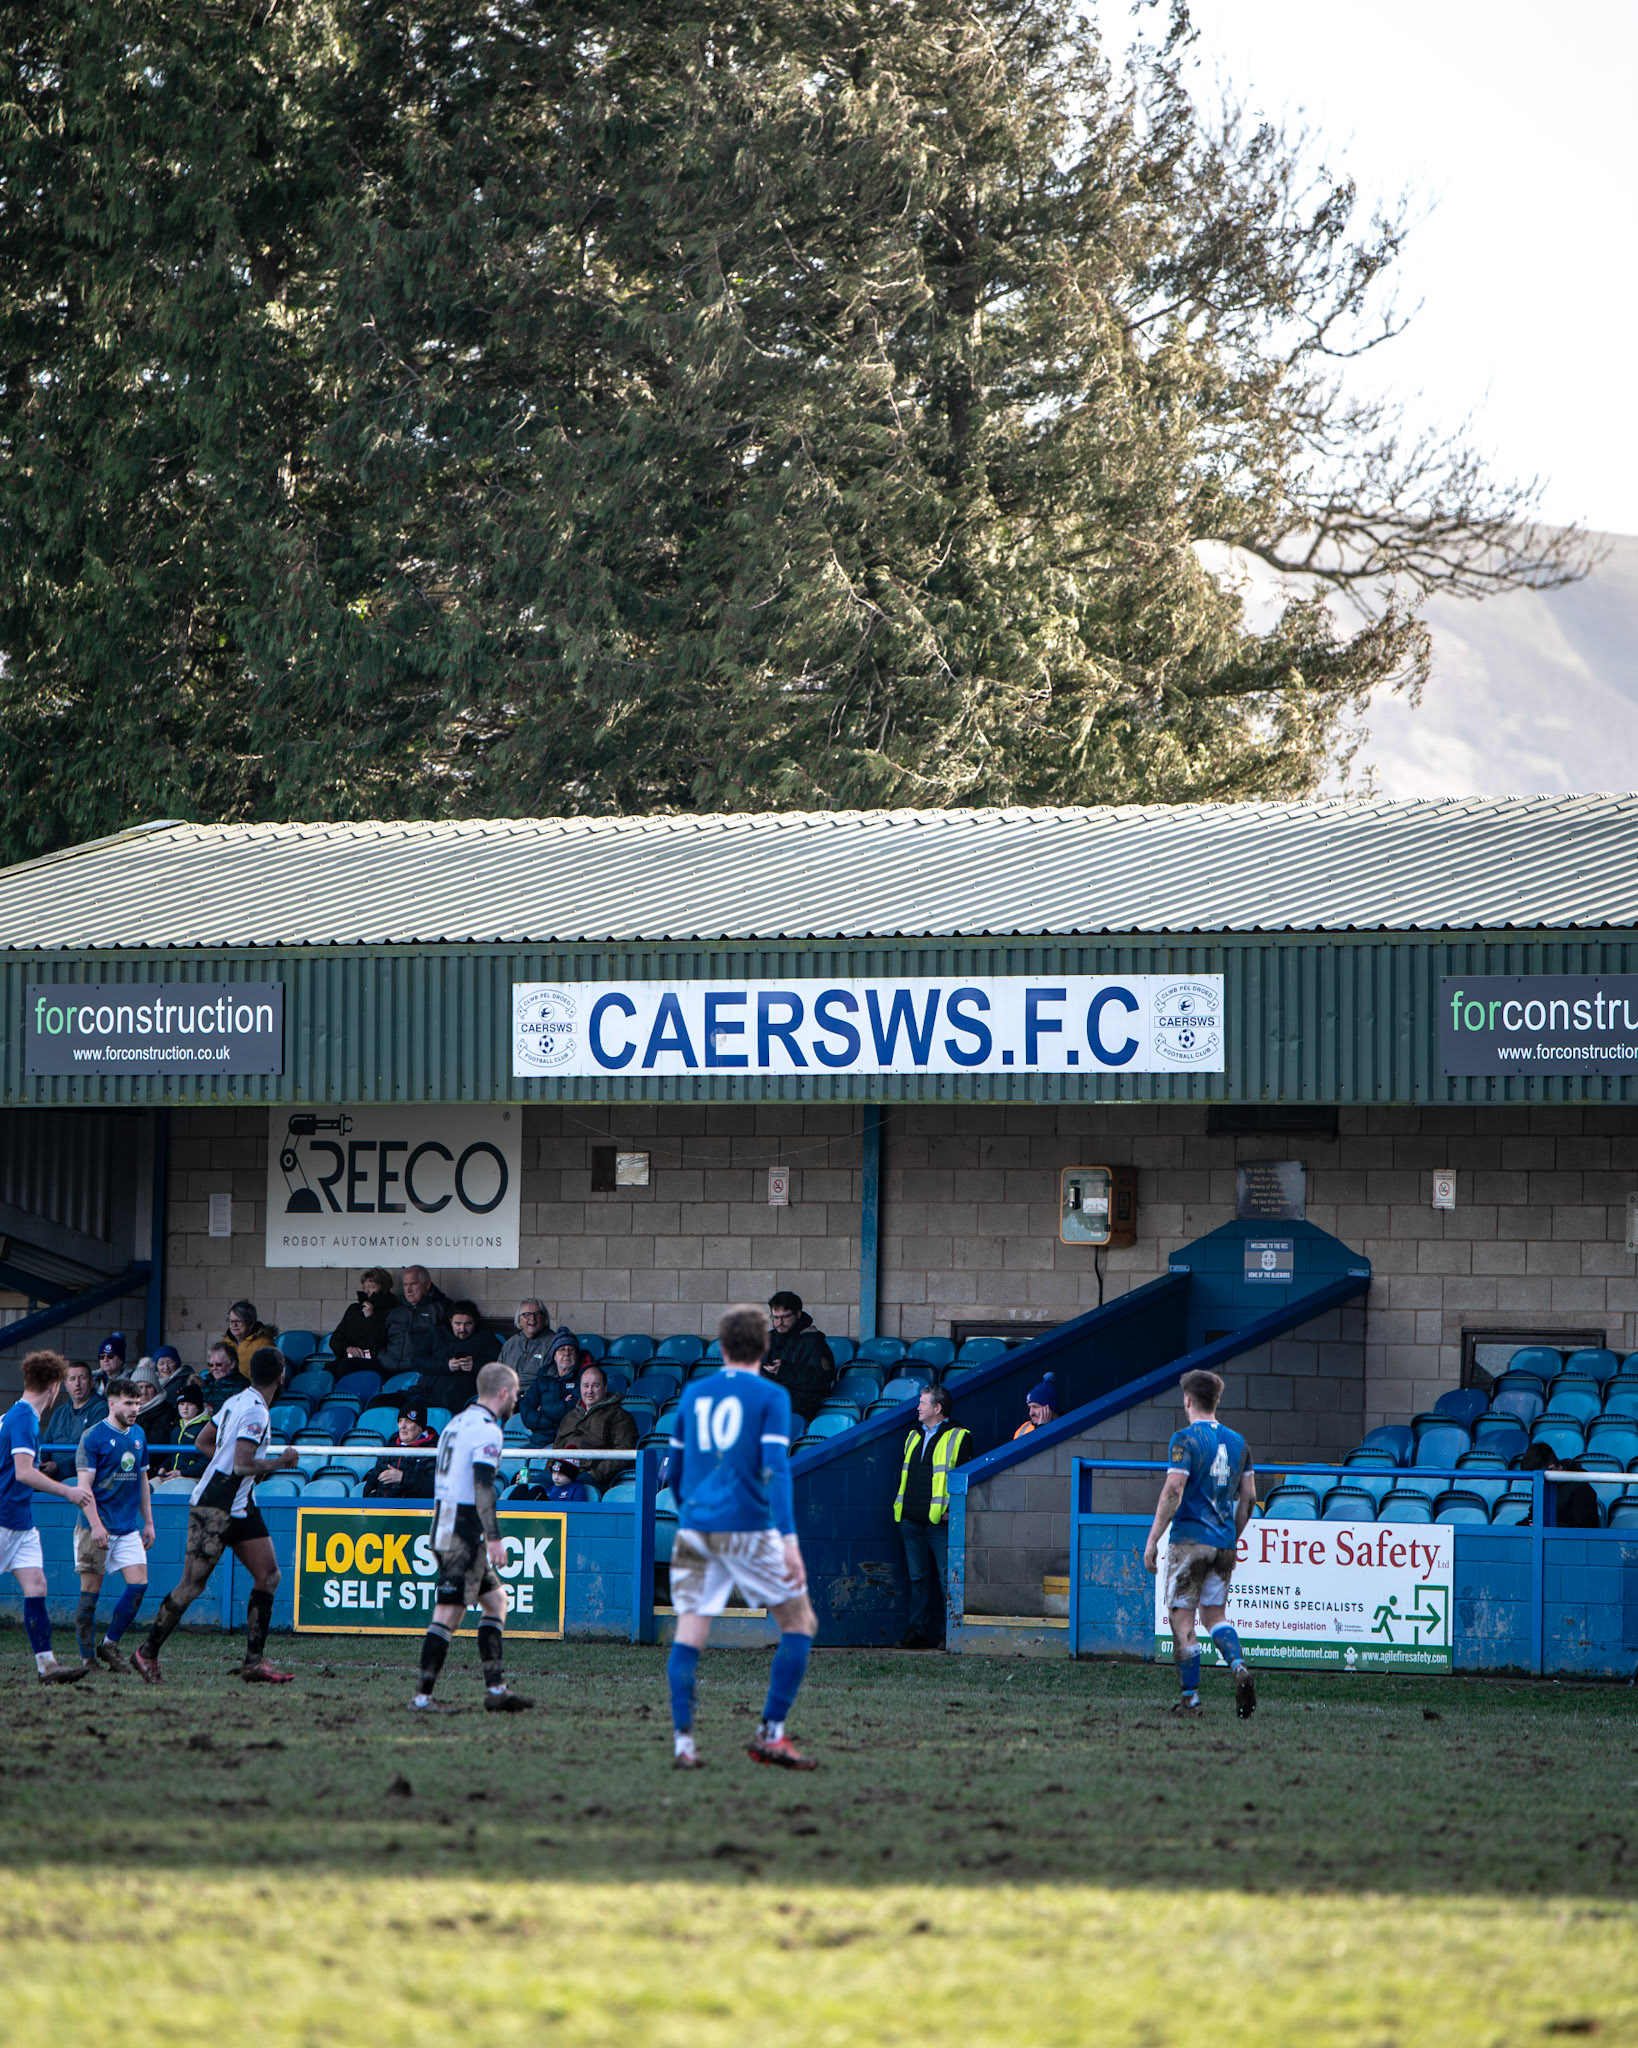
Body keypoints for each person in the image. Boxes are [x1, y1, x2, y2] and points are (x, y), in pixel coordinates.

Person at [664, 1303, 820, 1771]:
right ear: (765, 1346)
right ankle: (771, 1733)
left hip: (696, 1528)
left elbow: (675, 1470)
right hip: (749, 1527)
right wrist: (789, 1540)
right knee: (799, 1624)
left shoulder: (694, 1393)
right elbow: (776, 1470)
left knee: (689, 1632)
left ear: (722, 1346)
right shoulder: (771, 1395)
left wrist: (689, 1512)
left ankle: (684, 1744)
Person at [132, 1347, 301, 1686]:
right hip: (214, 1506)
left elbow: (203, 1441)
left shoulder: (238, 1401)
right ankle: (146, 1653)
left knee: (269, 1576)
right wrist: (281, 1462)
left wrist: (232, 1465)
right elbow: (242, 1464)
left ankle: (253, 1662)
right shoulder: (256, 1412)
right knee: (192, 1585)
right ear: (281, 1375)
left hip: (240, 1503)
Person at [410, 1361, 533, 1715]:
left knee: (496, 1602)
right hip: (461, 1531)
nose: (516, 1401)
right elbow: (482, 1487)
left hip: (446, 1522)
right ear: (504, 1393)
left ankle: (495, 1690)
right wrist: (494, 1538)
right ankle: (422, 1698)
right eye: (515, 1394)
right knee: (448, 1613)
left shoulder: (456, 1422)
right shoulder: (487, 1430)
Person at [1142, 1368, 1257, 1719]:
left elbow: (1174, 1490)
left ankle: (1191, 1701)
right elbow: (1250, 1499)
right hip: (1222, 1543)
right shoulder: (1239, 1443)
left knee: (1183, 1622)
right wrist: (1232, 1538)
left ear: (1188, 1400)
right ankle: (1238, 1666)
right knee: (1215, 1616)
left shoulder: (1185, 1440)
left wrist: (1153, 1540)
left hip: (1189, 1541)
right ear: (1216, 1400)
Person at [0, 1351, 102, 1681]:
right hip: (3, 1519)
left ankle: (46, 1665)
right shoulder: (23, 1418)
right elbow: (24, 1472)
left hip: (19, 1522)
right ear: (56, 1385)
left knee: (37, 1585)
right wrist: (68, 1492)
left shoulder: (16, 1415)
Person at [73, 1375, 155, 1671]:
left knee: (139, 1585)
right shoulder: (93, 1437)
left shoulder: (139, 1434)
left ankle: (109, 1644)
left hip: (128, 1527)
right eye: (129, 1403)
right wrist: (96, 1525)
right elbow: (84, 1488)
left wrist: (149, 1522)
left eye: (137, 1403)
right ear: (111, 1403)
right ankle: (87, 1658)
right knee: (90, 1594)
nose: (135, 1409)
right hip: (95, 1527)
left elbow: (142, 1479)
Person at [891, 1384, 971, 1650]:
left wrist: (952, 1513)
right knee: (918, 1580)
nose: (918, 1407)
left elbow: (965, 1480)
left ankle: (951, 1634)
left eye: (923, 1403)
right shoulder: (913, 1435)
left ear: (937, 1408)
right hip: (910, 1520)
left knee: (948, 1580)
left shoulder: (960, 1436)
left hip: (939, 1523)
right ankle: (917, 1632)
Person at [553, 1361, 639, 1494]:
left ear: (605, 1388)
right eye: (585, 1386)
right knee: (533, 1486)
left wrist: (595, 1474)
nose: (589, 1391)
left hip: (589, 1476)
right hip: (560, 1473)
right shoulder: (570, 1415)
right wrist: (550, 1472)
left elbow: (623, 1453)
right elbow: (556, 1448)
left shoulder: (620, 1416)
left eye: (595, 1386)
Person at [416, 1301, 503, 1416]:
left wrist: (475, 1365)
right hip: (432, 1387)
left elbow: (500, 1364)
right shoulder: (437, 1334)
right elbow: (417, 1361)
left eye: (468, 1324)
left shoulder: (485, 1337)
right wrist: (446, 1365)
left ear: (475, 1322)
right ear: (450, 1321)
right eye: (457, 1324)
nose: (462, 1329)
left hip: (466, 1389)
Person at [761, 1291, 836, 1424]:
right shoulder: (769, 1338)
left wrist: (784, 1370)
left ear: (798, 1314)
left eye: (785, 1317)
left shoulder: (813, 1340)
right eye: (775, 1318)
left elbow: (820, 1380)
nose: (779, 1322)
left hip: (802, 1404)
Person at [38, 1361, 108, 1480]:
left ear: (92, 1383)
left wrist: (58, 1466)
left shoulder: (101, 1409)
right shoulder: (60, 1412)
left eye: (82, 1378)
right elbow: (46, 1444)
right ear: (66, 1385)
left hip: (81, 1478)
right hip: (51, 1476)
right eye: (72, 1379)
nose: (77, 1383)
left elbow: (93, 1449)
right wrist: (41, 1463)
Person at [380, 1266, 451, 1380]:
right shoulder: (396, 1310)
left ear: (427, 1284)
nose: (408, 1290)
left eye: (413, 1284)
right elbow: (381, 1338)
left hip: (419, 1371)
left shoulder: (441, 1308)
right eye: (405, 1285)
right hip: (388, 1367)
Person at [518, 1327, 585, 1443]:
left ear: (576, 1355)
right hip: (540, 1439)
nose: (567, 1353)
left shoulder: (583, 1378)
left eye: (571, 1349)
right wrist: (554, 1419)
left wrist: (543, 1409)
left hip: (568, 1440)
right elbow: (526, 1409)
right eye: (562, 1349)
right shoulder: (542, 1378)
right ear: (554, 1355)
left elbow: (576, 1410)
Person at [329, 1267, 399, 1365]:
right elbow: (335, 1339)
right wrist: (347, 1348)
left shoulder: (393, 1311)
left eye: (371, 1287)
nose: (366, 1291)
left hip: (377, 1362)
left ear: (383, 1288)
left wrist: (370, 1318)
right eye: (364, 1287)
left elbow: (382, 1343)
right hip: (349, 1359)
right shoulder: (354, 1310)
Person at [363, 1408, 438, 1499]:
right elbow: (375, 1474)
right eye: (400, 1421)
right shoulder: (392, 1445)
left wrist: (403, 1478)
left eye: (408, 1421)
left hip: (411, 1506)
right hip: (379, 1504)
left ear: (420, 1428)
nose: (402, 1426)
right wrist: (370, 1492)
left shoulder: (433, 1450)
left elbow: (434, 1487)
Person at [129, 1362, 180, 1470]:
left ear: (156, 1389)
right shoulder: (125, 1411)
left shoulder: (166, 1413)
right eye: (140, 1387)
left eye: (149, 1387)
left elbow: (156, 1446)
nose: (144, 1392)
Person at [500, 1299, 555, 1384]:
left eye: (537, 1314)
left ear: (544, 1318)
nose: (532, 1318)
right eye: (527, 1314)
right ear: (519, 1321)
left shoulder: (554, 1342)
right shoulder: (510, 1343)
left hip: (536, 1390)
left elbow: (551, 1380)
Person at [220, 1300, 278, 1373]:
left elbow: (272, 1372)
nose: (234, 1325)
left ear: (250, 1322)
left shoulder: (264, 1343)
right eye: (231, 1321)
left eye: (238, 1321)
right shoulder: (224, 1343)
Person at [171, 1382, 212, 1478]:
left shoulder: (206, 1428)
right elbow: (171, 1455)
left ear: (198, 1407)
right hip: (172, 1474)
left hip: (193, 1478)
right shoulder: (177, 1426)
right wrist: (163, 1467)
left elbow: (206, 1460)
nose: (185, 1408)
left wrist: (182, 1473)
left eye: (190, 1404)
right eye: (182, 1404)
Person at [201, 1341, 250, 1411]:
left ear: (232, 1364)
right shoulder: (208, 1383)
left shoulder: (241, 1386)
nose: (214, 1368)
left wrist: (212, 1409)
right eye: (211, 1365)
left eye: (219, 1364)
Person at [1012, 1373, 1060, 1439]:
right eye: (1029, 1407)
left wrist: (1042, 1428)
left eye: (1035, 1407)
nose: (1030, 1413)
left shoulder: (1065, 1427)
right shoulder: (1024, 1428)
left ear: (1050, 1408)